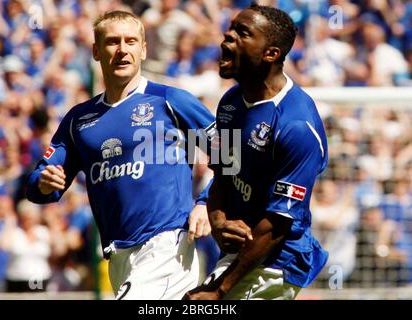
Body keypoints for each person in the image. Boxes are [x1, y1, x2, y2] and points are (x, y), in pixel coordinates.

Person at [26, 10, 215, 300]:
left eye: (131, 41)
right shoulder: (79, 119)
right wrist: (43, 182)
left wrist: (205, 202)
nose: (122, 50)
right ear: (96, 51)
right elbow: (39, 181)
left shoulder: (170, 100)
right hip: (117, 257)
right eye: (113, 42)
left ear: (143, 49)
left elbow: (232, 152)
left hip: (166, 246)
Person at [183, 4, 329, 300]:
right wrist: (219, 220)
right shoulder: (230, 104)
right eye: (231, 27)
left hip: (278, 261)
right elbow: (222, 175)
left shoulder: (296, 125)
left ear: (271, 54)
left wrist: (220, 290)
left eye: (242, 32)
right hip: (241, 255)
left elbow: (277, 225)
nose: (227, 35)